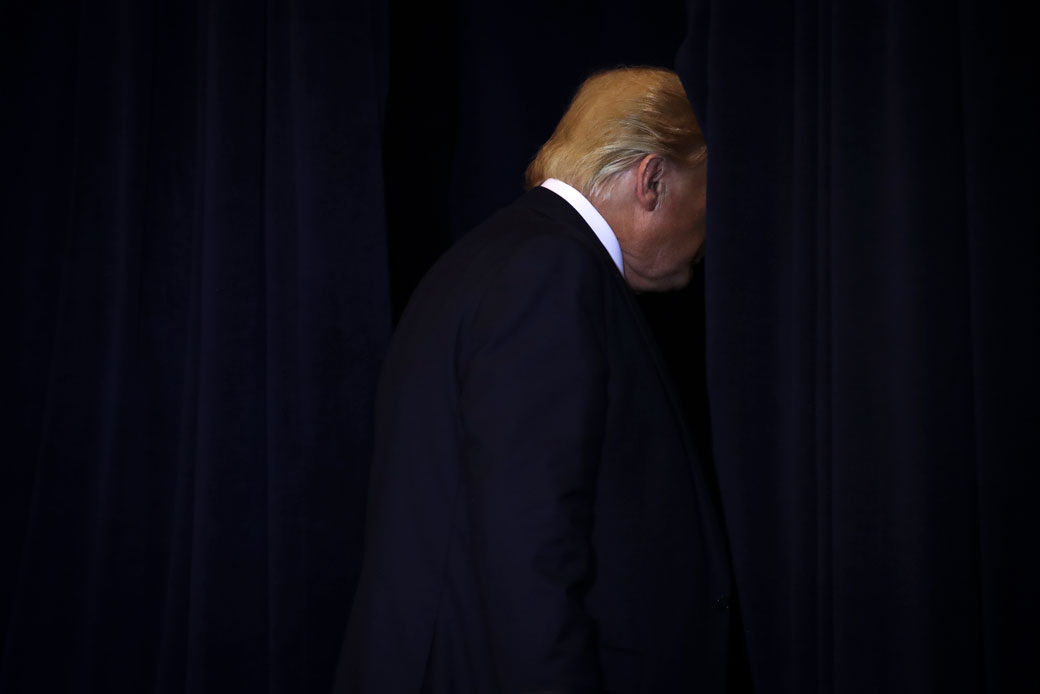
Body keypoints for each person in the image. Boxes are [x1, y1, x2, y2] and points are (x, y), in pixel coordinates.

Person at [335, 67, 733, 694]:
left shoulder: (491, 257)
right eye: (710, 197)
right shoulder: (551, 272)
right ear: (653, 180)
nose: (710, 237)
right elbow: (529, 550)